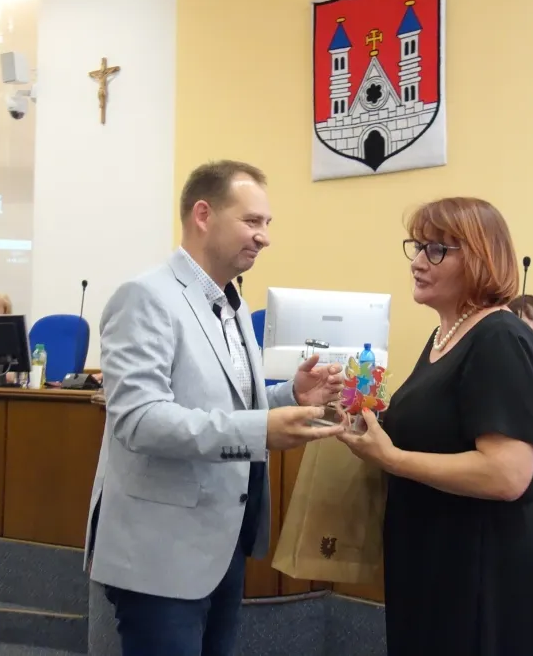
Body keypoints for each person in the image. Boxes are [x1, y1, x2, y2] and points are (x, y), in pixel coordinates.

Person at [85, 160, 346, 656]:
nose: (264, 236)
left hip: (222, 543)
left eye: (267, 223)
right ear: (203, 215)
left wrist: (291, 396)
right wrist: (260, 430)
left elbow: (228, 406)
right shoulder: (145, 297)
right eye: (252, 221)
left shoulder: (232, 304)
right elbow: (139, 420)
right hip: (161, 553)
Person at [338, 197, 533, 656]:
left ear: (479, 259)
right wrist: (366, 417)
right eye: (417, 247)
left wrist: (392, 458)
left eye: (437, 250)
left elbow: (506, 474)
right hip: (436, 557)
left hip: (485, 570)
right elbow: (440, 429)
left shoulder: (500, 337)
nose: (418, 262)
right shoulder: (444, 335)